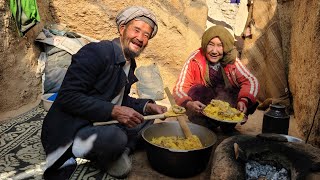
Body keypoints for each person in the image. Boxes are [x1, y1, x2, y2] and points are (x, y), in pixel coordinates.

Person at [41, 6, 167, 179]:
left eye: (146, 35)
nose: (140, 38)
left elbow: (121, 100)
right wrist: (114, 111)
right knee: (116, 137)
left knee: (145, 121)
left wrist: (148, 106)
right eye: (136, 30)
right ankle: (111, 151)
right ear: (122, 29)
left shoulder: (130, 63)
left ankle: (118, 153)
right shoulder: (96, 52)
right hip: (74, 128)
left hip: (101, 122)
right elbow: (68, 97)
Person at [173, 25, 259, 132]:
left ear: (226, 47)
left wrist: (244, 100)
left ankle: (227, 122)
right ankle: (207, 124)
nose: (214, 51)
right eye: (211, 45)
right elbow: (180, 88)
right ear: (205, 45)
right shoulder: (195, 59)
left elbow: (251, 81)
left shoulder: (231, 60)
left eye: (220, 45)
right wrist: (189, 104)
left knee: (243, 95)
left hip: (227, 101)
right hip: (204, 102)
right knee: (197, 90)